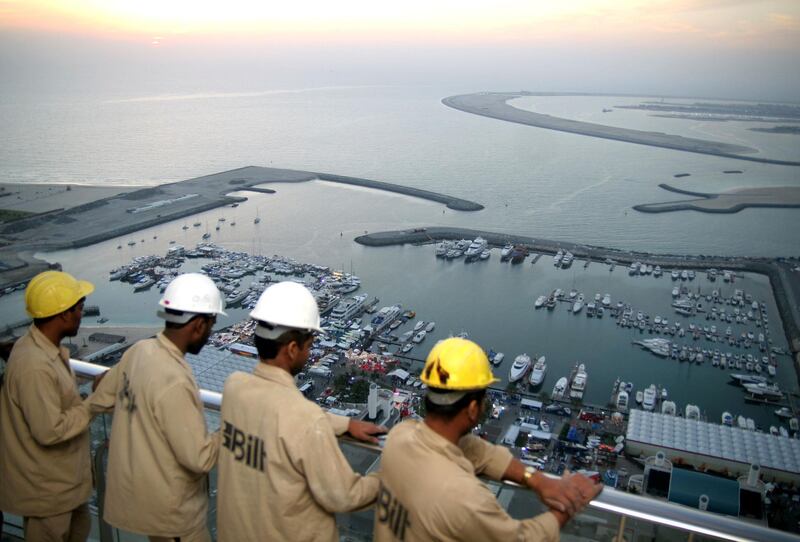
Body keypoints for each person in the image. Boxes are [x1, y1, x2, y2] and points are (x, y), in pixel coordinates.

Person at [375, 338, 602, 541]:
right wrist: (569, 502)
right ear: (473, 408)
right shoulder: (465, 498)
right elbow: (525, 538)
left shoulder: (400, 436)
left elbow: (475, 449)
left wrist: (538, 479)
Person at [216, 281, 386, 541]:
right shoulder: (307, 419)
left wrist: (343, 424)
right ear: (293, 348)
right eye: (309, 345)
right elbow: (345, 495)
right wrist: (389, 477)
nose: (310, 352)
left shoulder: (234, 387)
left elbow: (277, 412)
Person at [88, 273, 226, 541]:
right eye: (212, 324)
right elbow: (200, 458)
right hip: (173, 517)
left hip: (142, 501)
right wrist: (232, 425)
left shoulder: (140, 351)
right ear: (198, 324)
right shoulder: (174, 378)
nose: (210, 333)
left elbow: (102, 397)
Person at [0, 270, 95, 542]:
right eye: (79, 307)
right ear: (64, 314)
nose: (82, 313)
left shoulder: (40, 351)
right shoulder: (34, 366)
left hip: (65, 487)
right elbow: (49, 431)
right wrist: (92, 405)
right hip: (48, 493)